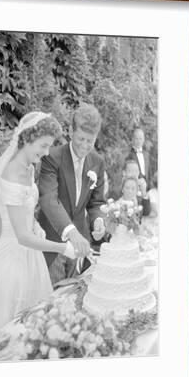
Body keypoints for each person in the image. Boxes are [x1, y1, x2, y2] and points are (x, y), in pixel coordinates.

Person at [0, 111, 79, 342]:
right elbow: (21, 236)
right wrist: (62, 248)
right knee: (4, 333)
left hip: (29, 257)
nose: (46, 152)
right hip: (9, 262)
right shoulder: (12, 174)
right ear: (27, 139)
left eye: (49, 147)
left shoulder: (28, 167)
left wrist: (35, 224)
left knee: (31, 330)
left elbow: (22, 212)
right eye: (43, 145)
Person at [38, 104, 106, 285]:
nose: (84, 146)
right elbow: (48, 199)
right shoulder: (51, 157)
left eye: (89, 141)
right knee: (51, 301)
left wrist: (98, 220)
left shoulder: (97, 162)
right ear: (70, 131)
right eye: (81, 139)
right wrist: (71, 232)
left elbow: (96, 203)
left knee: (74, 299)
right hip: (53, 243)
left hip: (81, 247)